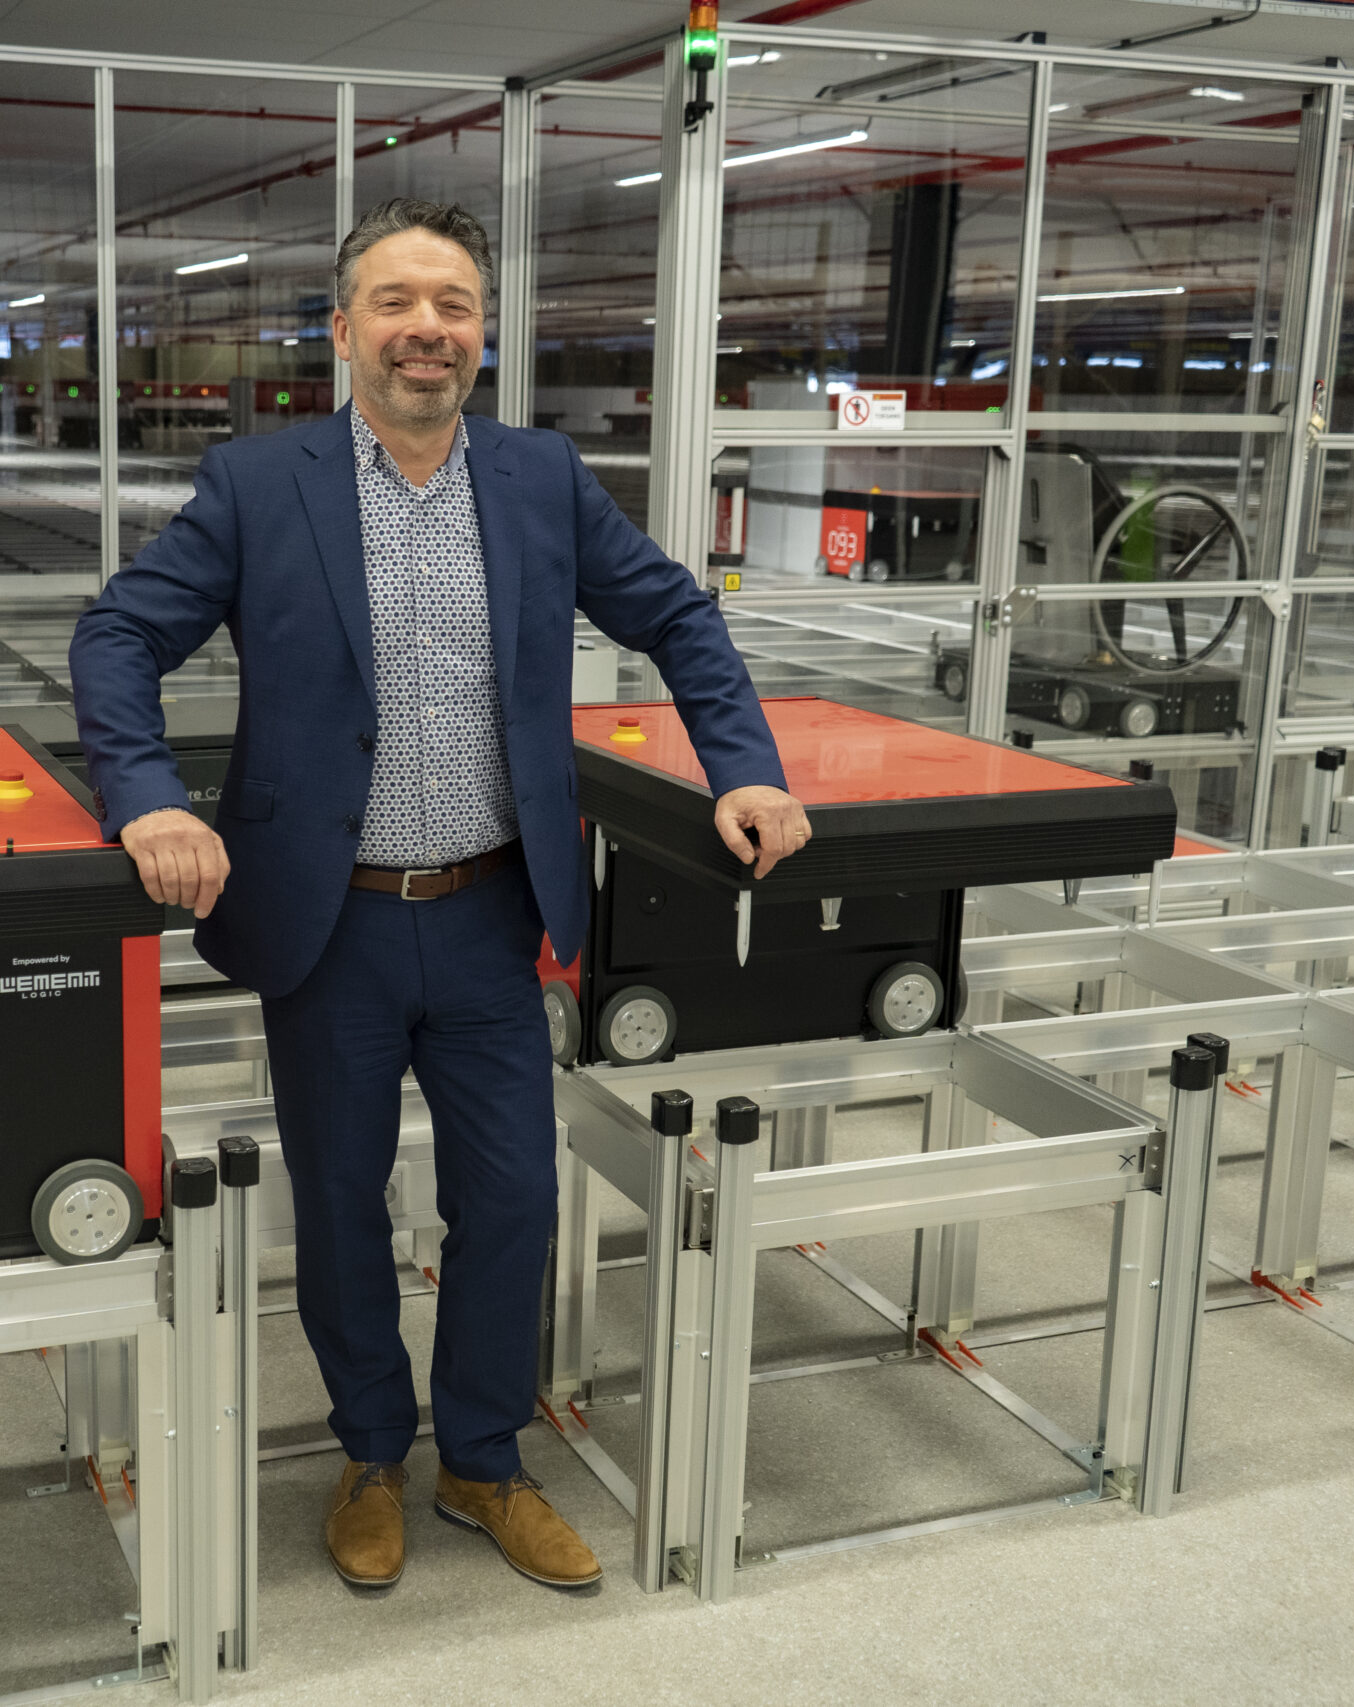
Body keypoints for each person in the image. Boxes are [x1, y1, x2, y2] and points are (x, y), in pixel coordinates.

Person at [70, 198, 808, 1592]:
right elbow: (118, 633)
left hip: (486, 913)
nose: (429, 329)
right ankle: (369, 1453)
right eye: (398, 303)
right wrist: (150, 798)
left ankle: (481, 1458)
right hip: (329, 921)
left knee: (514, 1200)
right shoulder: (260, 484)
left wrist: (747, 770)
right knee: (343, 1207)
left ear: (483, 334)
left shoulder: (539, 479)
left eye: (455, 306)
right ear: (344, 329)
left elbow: (675, 612)